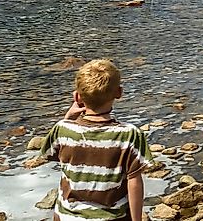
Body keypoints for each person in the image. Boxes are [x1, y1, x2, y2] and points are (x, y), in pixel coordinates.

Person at [40, 59, 153, 221]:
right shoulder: (129, 134)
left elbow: (49, 154)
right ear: (119, 93)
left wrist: (68, 117)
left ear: (77, 97)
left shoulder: (63, 129)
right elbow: (134, 181)